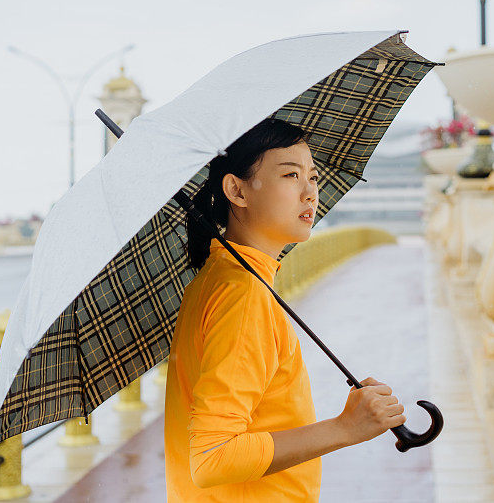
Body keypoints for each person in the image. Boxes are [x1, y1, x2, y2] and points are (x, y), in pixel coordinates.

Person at [164, 118, 406, 502]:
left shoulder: (223, 277)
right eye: (291, 176)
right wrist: (346, 427)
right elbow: (212, 458)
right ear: (236, 190)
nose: (310, 193)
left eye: (312, 176)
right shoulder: (243, 296)